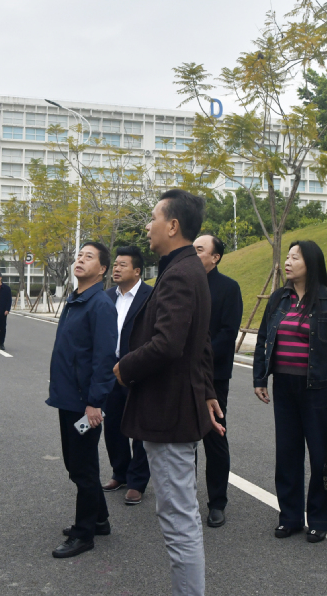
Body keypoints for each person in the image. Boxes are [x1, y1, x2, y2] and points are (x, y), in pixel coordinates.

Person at [114, 189, 225, 596]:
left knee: (179, 520)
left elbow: (169, 344)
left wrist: (124, 368)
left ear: (173, 225)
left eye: (154, 218)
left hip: (169, 412)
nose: (148, 226)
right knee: (178, 515)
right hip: (176, 406)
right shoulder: (185, 268)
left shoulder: (180, 273)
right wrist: (207, 390)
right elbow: (201, 340)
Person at [252, 240, 327, 544]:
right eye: (287, 257)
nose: (288, 262)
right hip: (284, 387)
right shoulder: (278, 299)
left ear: (311, 263)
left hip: (318, 390)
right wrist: (260, 377)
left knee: (322, 456)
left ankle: (319, 520)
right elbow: (263, 339)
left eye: (295, 257)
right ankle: (290, 517)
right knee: (287, 455)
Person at [46, 241, 119, 558]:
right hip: (68, 398)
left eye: (89, 257)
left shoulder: (100, 305)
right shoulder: (76, 299)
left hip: (84, 404)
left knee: (82, 467)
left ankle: (84, 533)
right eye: (79, 255)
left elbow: (104, 359)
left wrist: (94, 403)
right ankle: (99, 519)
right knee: (78, 463)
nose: (80, 260)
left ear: (102, 269)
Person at [192, 234, 243, 528]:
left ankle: (217, 503)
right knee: (183, 437)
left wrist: (198, 358)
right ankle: (185, 499)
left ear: (216, 257)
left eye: (199, 250)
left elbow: (227, 333)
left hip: (213, 375)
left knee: (215, 437)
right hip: (180, 374)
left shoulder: (228, 288)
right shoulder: (184, 284)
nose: (193, 253)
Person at [100, 246, 152, 506]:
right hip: (111, 370)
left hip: (138, 369)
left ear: (137, 271)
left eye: (123, 265)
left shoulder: (151, 296)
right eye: (116, 264)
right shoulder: (107, 296)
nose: (116, 269)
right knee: (113, 424)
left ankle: (137, 482)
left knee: (140, 426)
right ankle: (119, 473)